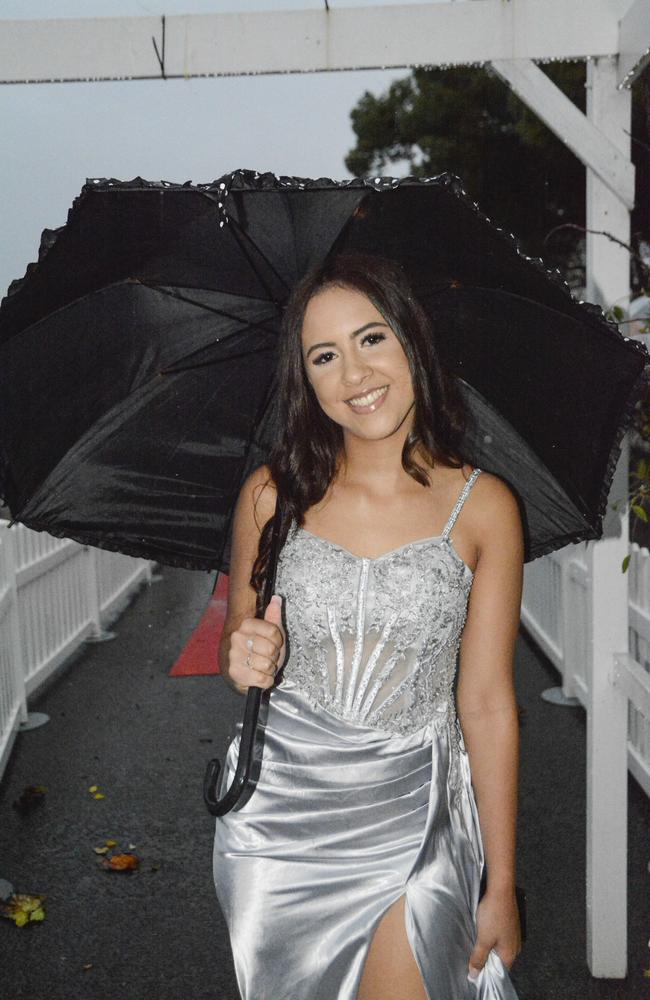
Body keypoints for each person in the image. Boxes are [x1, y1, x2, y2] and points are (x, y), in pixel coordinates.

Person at [212, 251, 524, 1000]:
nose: (354, 375)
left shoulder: (485, 508)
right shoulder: (269, 496)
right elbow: (242, 638)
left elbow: (486, 704)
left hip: (413, 816)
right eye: (325, 356)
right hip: (280, 820)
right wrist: (242, 652)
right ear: (306, 379)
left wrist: (502, 880)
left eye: (371, 339)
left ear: (412, 341)